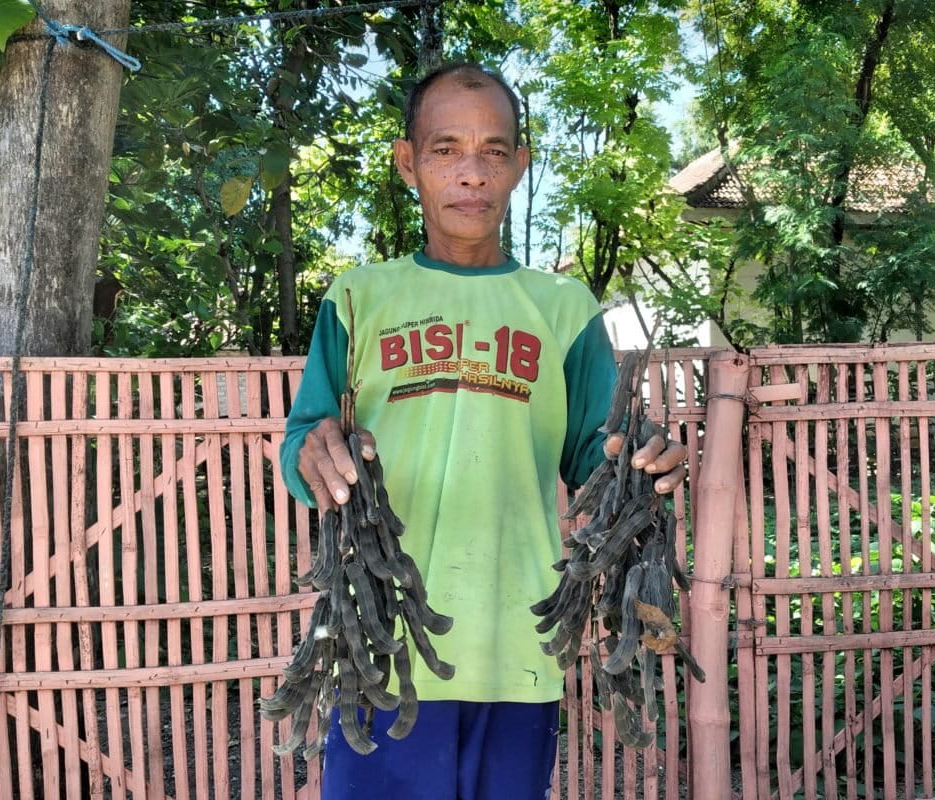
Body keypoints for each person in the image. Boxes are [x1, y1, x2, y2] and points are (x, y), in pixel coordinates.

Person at [279, 62, 686, 800]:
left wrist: (640, 464)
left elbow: (596, 452)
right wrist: (310, 450)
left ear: (519, 166)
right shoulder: (359, 298)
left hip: (516, 648)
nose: (471, 173)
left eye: (494, 151)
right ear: (409, 163)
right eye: (445, 149)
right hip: (383, 647)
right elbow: (307, 435)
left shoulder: (563, 308)